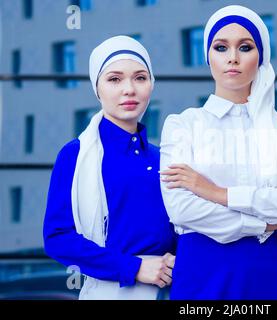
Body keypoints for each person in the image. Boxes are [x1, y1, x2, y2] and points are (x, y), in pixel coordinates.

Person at [159, 5, 277, 300]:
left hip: (270, 274)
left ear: (260, 57)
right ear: (207, 56)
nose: (232, 57)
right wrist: (266, 221)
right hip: (204, 274)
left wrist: (214, 191)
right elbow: (182, 209)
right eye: (221, 47)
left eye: (245, 47)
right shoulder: (183, 125)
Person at [43, 35, 177, 300]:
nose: (129, 89)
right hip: (109, 292)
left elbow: (185, 226)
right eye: (114, 79)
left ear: (151, 84)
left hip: (172, 290)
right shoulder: (76, 155)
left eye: (140, 78)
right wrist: (134, 267)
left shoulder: (165, 157)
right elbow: (58, 238)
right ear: (97, 88)